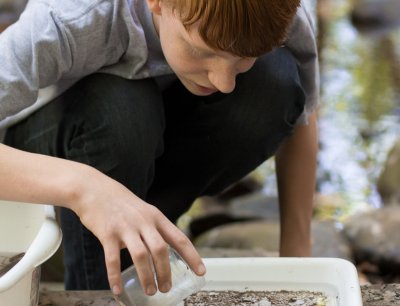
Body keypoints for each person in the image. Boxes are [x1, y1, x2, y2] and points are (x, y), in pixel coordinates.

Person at [0, 0, 319, 297]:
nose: (224, 83)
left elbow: (302, 112)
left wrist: (298, 258)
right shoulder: (74, 16)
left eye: (242, 59)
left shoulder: (272, 10)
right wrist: (83, 187)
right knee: (121, 109)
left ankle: (151, 236)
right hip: (46, 146)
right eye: (202, 50)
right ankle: (98, 288)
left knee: (273, 84)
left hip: (151, 135)